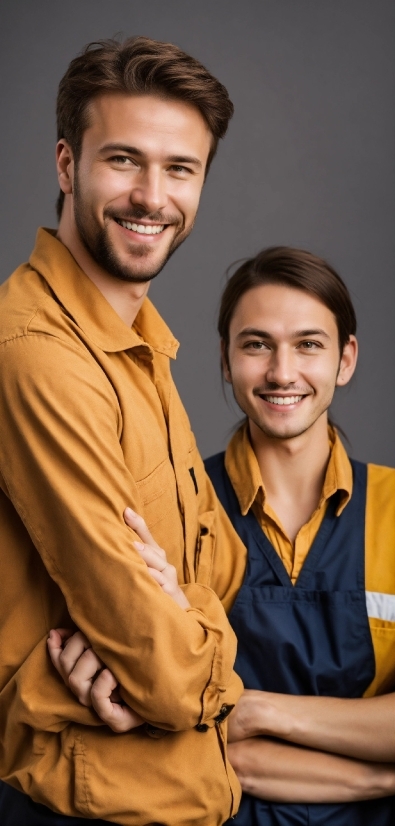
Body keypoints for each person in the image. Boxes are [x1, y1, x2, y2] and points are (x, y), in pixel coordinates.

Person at [57, 247, 395, 825]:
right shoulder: (171, 504)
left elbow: (209, 732)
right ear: (225, 358)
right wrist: (378, 773)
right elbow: (153, 718)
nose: (281, 372)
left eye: (309, 344)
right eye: (256, 344)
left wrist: (253, 712)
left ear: (346, 359)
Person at [0, 36, 243, 826]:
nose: (151, 196)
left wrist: (182, 621)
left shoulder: (139, 343)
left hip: (178, 793)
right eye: (123, 160)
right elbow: (170, 683)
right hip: (80, 805)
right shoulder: (38, 356)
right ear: (67, 165)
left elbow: (225, 560)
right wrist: (192, 653)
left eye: (180, 169)